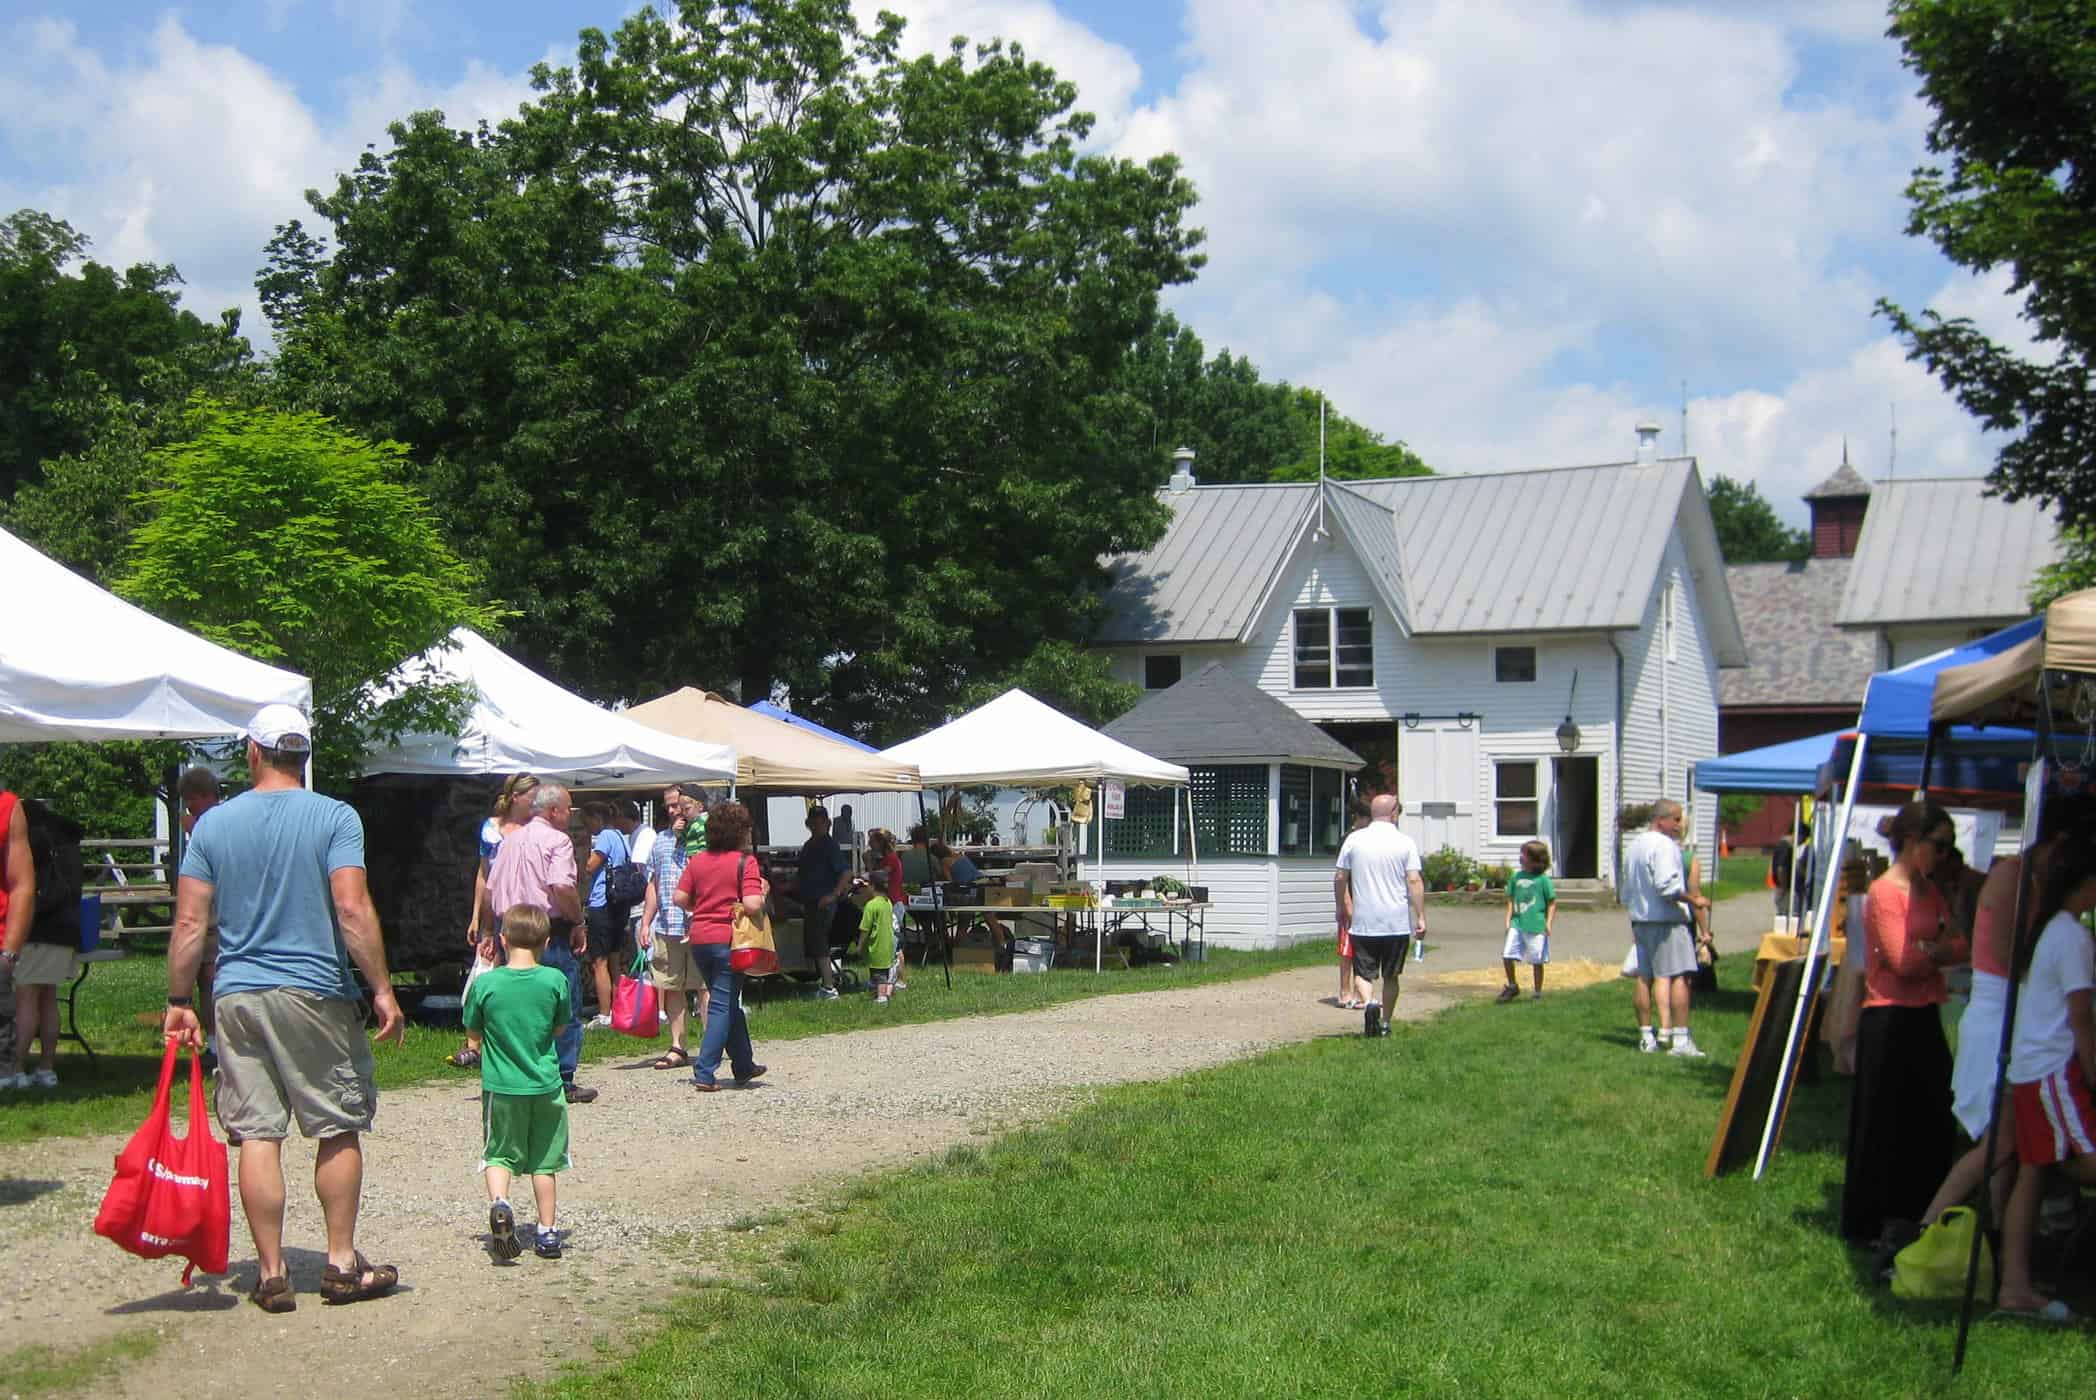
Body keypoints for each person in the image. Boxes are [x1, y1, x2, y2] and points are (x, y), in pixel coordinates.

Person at [163, 704, 404, 1312]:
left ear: (252, 751)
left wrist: (177, 1000)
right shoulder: (334, 817)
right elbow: (351, 909)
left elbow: (191, 920)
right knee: (336, 1123)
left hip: (237, 994)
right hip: (313, 989)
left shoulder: (212, 826)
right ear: (304, 755)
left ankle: (271, 1273)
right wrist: (381, 988)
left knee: (256, 1132)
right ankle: (341, 1263)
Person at [1841, 800, 1966, 1252]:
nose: (1945, 856)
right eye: (1939, 846)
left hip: (1925, 1012)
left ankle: (1919, 1213)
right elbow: (1901, 960)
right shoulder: (1885, 892)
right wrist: (1934, 951)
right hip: (1889, 1016)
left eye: (1951, 848)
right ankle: (1871, 1221)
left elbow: (1960, 944)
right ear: (1912, 843)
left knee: (1931, 1118)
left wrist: (1933, 950)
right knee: (1883, 1123)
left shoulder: (1930, 891)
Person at [1992, 841, 2096, 1321]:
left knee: (2033, 1174)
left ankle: (2014, 1285)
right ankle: (2015, 1285)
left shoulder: (2052, 929)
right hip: (2055, 1071)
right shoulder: (2072, 937)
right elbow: (2081, 1018)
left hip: (2034, 1069)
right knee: (2071, 1168)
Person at [461, 903, 572, 1262]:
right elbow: (559, 1027)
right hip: (546, 1085)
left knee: (499, 1153)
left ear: (504, 940)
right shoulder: (555, 981)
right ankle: (548, 1231)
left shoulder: (487, 983)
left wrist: (475, 1046)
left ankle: (501, 1202)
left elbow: (473, 1029)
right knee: (545, 1161)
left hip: (501, 1086)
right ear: (547, 940)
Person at [487, 785, 598, 1104]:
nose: (570, 814)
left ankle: (518, 1071)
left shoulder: (510, 841)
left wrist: (488, 930)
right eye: (568, 808)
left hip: (509, 927)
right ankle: (561, 1077)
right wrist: (578, 920)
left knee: (516, 1004)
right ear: (553, 811)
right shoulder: (557, 841)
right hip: (545, 928)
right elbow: (561, 886)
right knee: (560, 1002)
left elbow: (490, 889)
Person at [673, 800, 767, 1092]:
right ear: (739, 832)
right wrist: (762, 891)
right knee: (721, 1006)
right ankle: (705, 1071)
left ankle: (743, 1065)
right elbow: (752, 904)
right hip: (729, 940)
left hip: (700, 938)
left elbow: (679, 897)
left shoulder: (698, 860)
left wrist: (702, 905)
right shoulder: (744, 862)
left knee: (727, 1002)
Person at [453, 773, 538, 1070]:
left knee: (523, 974)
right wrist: (476, 915)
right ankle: (476, 1041)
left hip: (527, 910)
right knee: (488, 973)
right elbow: (483, 874)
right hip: (498, 909)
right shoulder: (492, 828)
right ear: (517, 796)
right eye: (532, 795)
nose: (537, 801)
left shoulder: (536, 829)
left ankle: (516, 1039)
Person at [1334, 794, 1425, 1039]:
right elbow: (1414, 880)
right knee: (1391, 975)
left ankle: (1369, 1002)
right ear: (1394, 813)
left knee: (1363, 972)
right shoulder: (1405, 842)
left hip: (1364, 921)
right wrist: (1420, 916)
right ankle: (1385, 1023)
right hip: (1395, 922)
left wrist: (1340, 906)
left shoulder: (1354, 839)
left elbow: (1340, 876)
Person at [1622, 799, 1706, 1057]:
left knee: (1644, 977)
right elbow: (1667, 887)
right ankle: (1681, 1041)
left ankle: (1647, 1037)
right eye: (1677, 820)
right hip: (1667, 921)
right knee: (1680, 975)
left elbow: (1626, 891)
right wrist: (1695, 900)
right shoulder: (1665, 846)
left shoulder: (1634, 845)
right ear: (1662, 820)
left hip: (1640, 919)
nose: (1680, 826)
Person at [637, 785, 703, 1069]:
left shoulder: (703, 839)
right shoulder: (660, 841)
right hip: (667, 924)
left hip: (699, 923)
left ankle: (711, 1045)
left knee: (704, 986)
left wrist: (686, 838)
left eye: (677, 804)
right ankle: (678, 1045)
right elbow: (654, 883)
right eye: (668, 806)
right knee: (671, 986)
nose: (673, 810)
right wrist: (645, 920)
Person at [0, 792, 55, 1091]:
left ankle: (12, 1070)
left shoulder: (8, 807)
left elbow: (22, 884)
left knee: (27, 1000)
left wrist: (9, 953)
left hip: (10, 942)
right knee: (40, 998)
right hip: (47, 936)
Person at [177, 766, 225, 1056]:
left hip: (214, 914)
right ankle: (213, 1040)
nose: (188, 807)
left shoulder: (211, 823)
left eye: (191, 800)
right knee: (204, 980)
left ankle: (218, 1043)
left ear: (206, 796)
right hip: (205, 912)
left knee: (211, 979)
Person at [579, 803, 633, 1031]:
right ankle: (620, 1008)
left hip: (602, 903)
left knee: (598, 962)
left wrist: (582, 852)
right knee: (614, 959)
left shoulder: (604, 837)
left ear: (597, 818)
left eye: (587, 821)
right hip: (618, 905)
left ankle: (604, 1013)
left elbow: (590, 867)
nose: (586, 826)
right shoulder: (622, 837)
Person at [795, 807, 852, 999]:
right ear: (808, 824)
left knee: (820, 945)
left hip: (823, 905)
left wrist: (833, 895)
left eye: (822, 821)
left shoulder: (830, 845)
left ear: (827, 823)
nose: (818, 825)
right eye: (814, 821)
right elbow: (801, 876)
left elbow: (846, 873)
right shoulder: (808, 846)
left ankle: (829, 987)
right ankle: (822, 981)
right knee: (814, 944)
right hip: (809, 903)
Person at [1499, 840, 1556, 1003]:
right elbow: (1510, 899)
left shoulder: (1543, 880)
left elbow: (1552, 903)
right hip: (1517, 923)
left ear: (1534, 859)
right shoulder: (1516, 877)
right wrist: (1508, 919)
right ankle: (1512, 985)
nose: (1520, 857)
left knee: (1536, 960)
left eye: (1524, 854)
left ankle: (1537, 992)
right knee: (1507, 955)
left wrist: (1548, 923)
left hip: (1536, 925)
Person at [1336, 797, 1371, 1009]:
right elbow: (1342, 875)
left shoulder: (1371, 839)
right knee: (1347, 948)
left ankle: (1361, 992)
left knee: (1365, 949)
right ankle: (1344, 990)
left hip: (1368, 902)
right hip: (1352, 899)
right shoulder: (1348, 839)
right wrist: (1346, 903)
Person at [847, 876, 897, 1004]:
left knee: (878, 973)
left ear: (872, 887)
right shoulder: (888, 902)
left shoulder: (871, 905)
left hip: (876, 944)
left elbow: (865, 928)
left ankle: (881, 997)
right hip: (888, 943)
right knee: (884, 971)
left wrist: (859, 945)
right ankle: (884, 992)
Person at [616, 798, 656, 953]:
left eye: (616, 818)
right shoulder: (634, 835)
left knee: (644, 957)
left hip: (643, 907)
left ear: (623, 816)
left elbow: (637, 868)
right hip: (637, 908)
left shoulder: (645, 834)